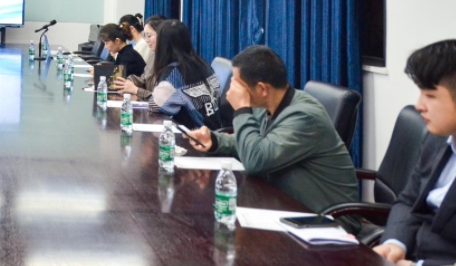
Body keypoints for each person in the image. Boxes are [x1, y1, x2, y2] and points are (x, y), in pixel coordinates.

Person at [186, 45, 357, 213]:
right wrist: (215, 140)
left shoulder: (304, 116)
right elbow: (254, 143)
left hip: (326, 217)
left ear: (262, 89)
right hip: (284, 205)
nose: (233, 92)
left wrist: (241, 109)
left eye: (239, 87)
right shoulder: (267, 105)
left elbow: (255, 160)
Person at [375, 40, 456, 266]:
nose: (419, 105)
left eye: (430, 96)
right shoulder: (436, 139)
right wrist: (395, 243)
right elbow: (409, 200)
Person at [143, 19, 221, 130]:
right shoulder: (203, 64)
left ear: (162, 44)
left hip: (196, 134)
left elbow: (154, 107)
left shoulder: (173, 75)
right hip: (215, 130)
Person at [114, 15, 165, 100]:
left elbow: (160, 100)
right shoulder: (154, 56)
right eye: (145, 36)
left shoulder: (171, 65)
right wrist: (126, 82)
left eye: (149, 36)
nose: (147, 40)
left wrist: (136, 90)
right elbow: (143, 79)